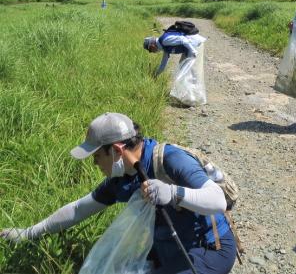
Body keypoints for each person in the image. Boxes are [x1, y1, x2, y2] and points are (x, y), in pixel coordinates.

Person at [0, 112, 236, 274]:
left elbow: (217, 200)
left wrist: (173, 192)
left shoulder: (169, 159)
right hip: (167, 247)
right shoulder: (121, 178)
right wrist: (28, 233)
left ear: (115, 150)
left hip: (208, 249)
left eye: (96, 156)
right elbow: (78, 209)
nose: (94, 163)